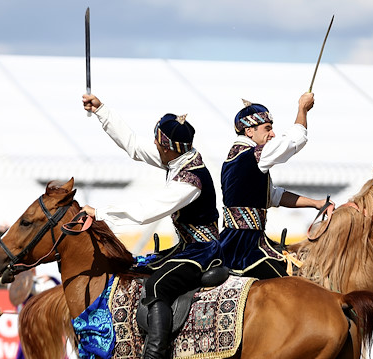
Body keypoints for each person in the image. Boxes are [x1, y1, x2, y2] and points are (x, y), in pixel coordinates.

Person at [82, 94, 222, 359]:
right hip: (187, 247)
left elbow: (146, 212)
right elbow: (134, 147)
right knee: (138, 269)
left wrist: (99, 212)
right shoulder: (179, 158)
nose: (154, 144)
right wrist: (101, 110)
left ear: (167, 147)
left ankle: (154, 354)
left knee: (157, 286)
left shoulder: (190, 180)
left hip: (203, 252)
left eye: (157, 140)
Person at [219, 93, 331, 279]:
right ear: (249, 131)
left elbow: (273, 196)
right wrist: (302, 109)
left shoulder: (234, 159)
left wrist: (316, 203)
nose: (272, 134)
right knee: (298, 281)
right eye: (268, 128)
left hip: (236, 240)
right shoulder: (254, 154)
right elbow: (295, 140)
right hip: (245, 247)